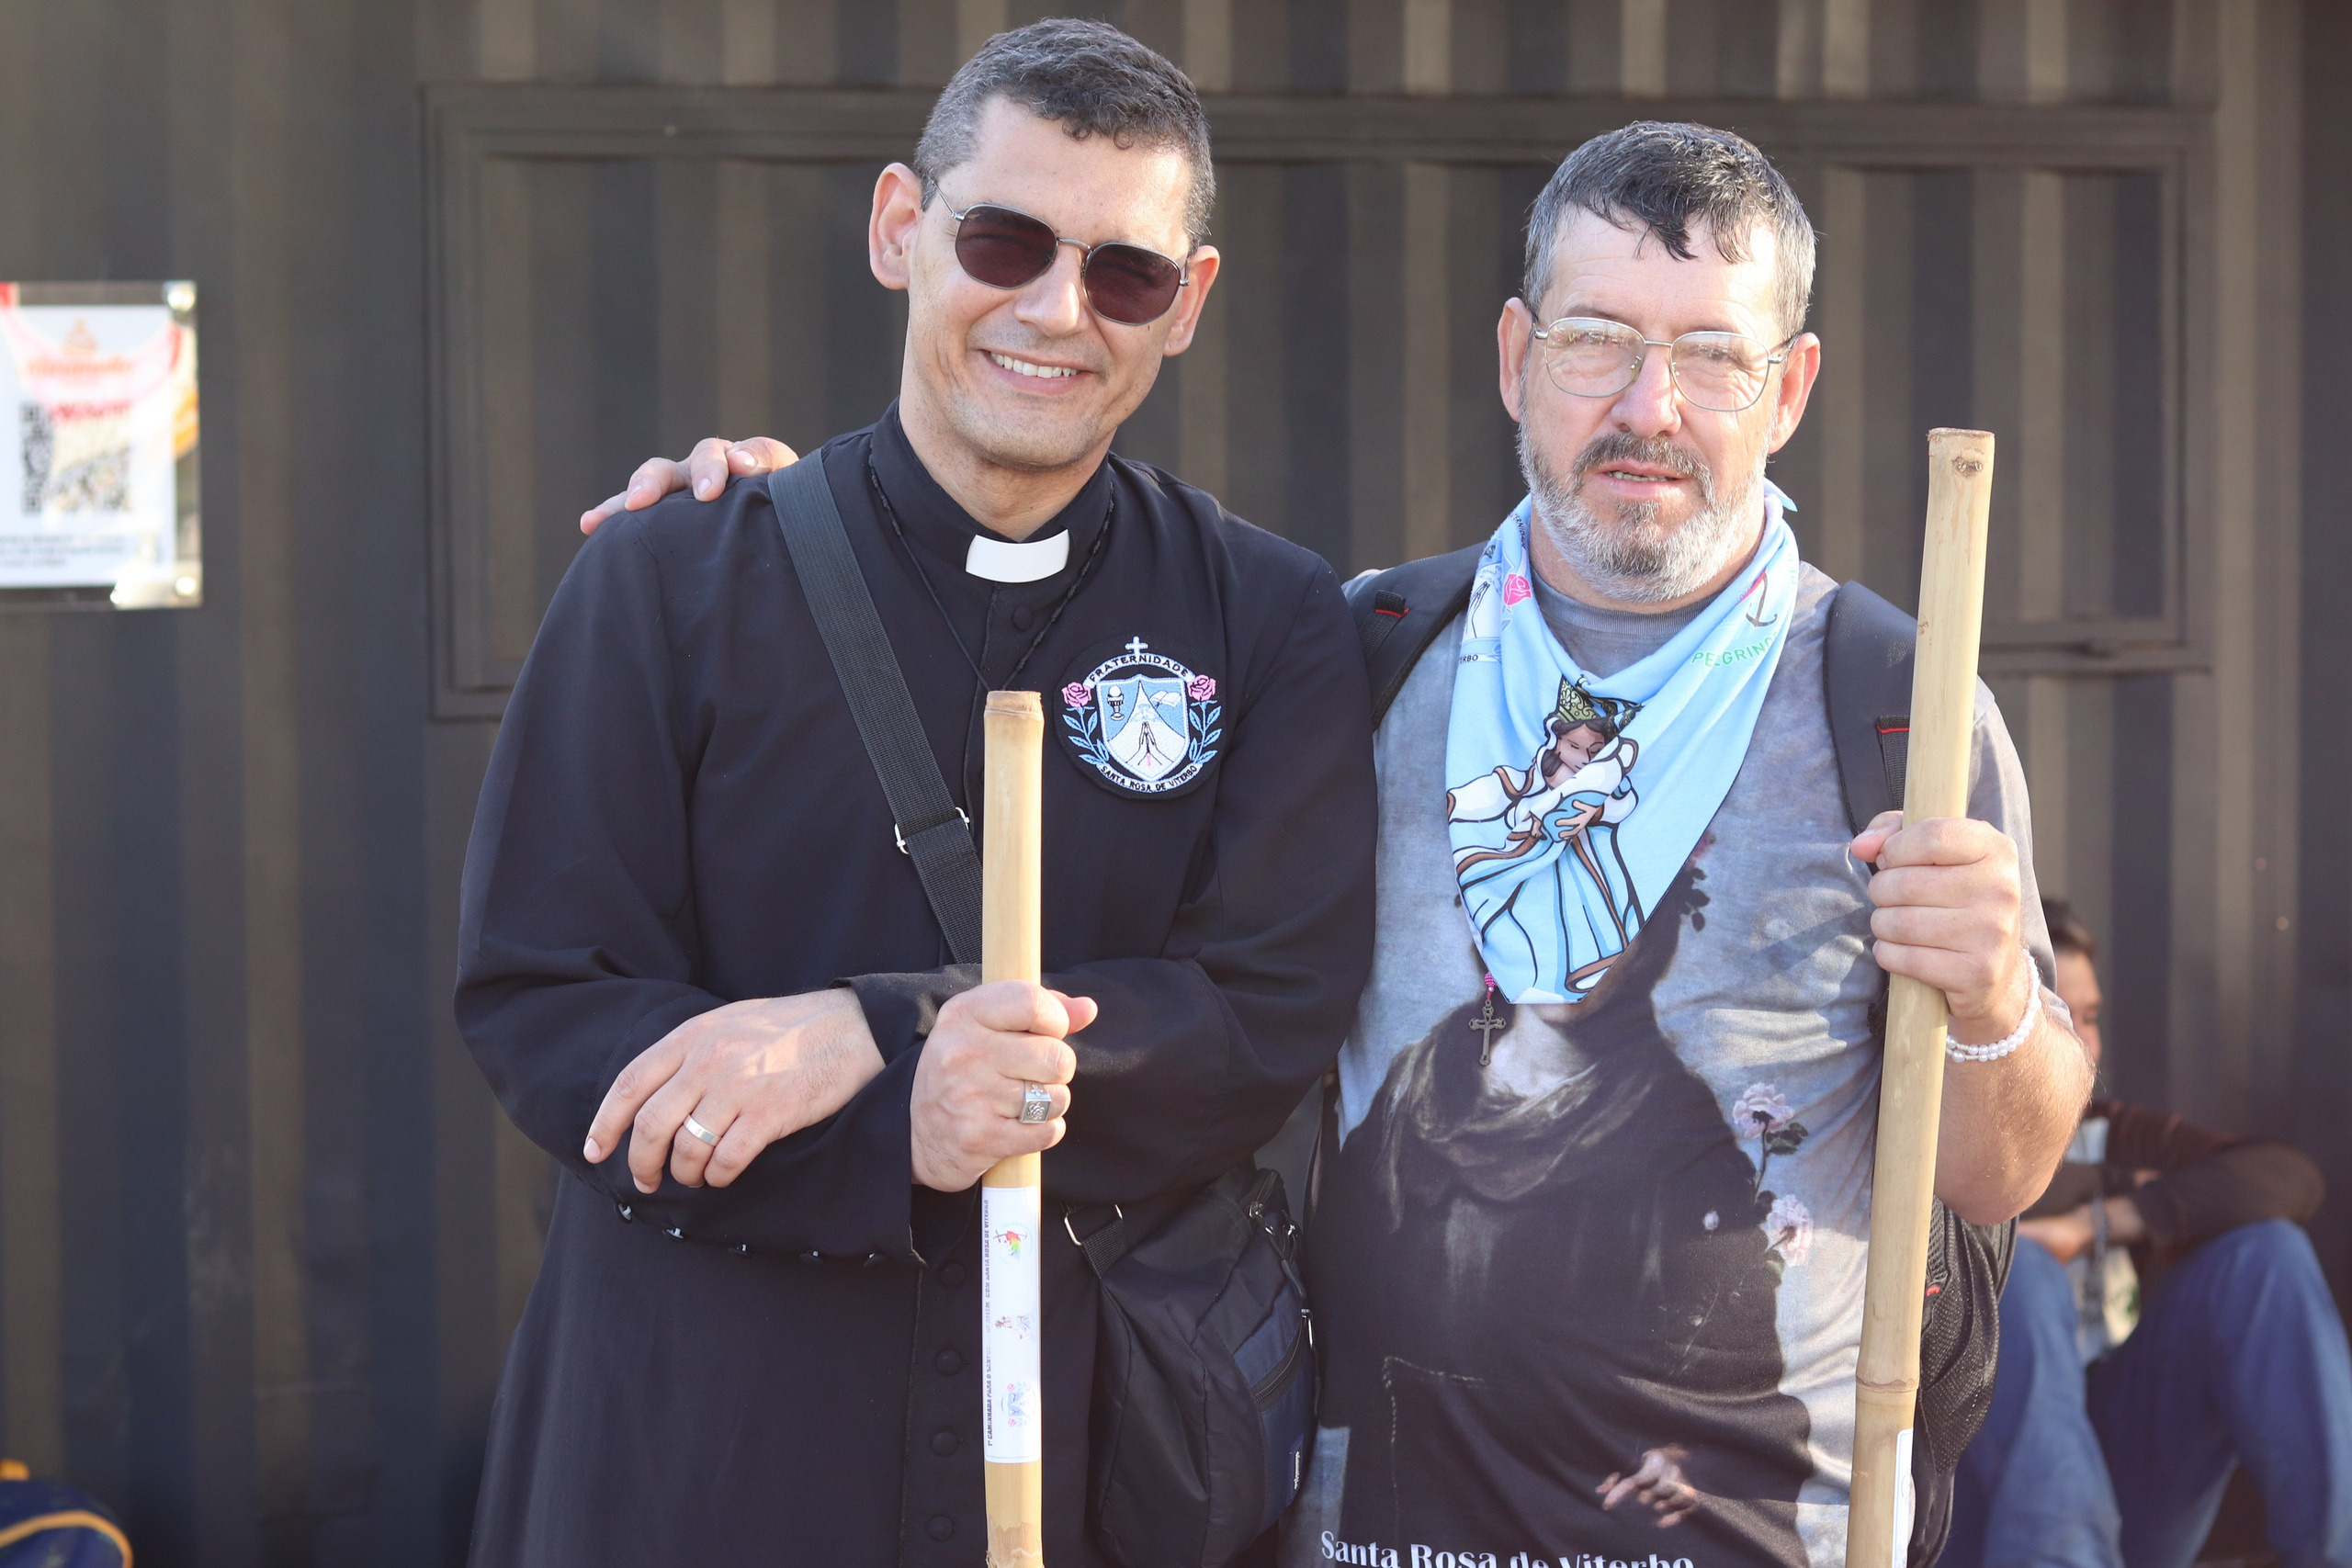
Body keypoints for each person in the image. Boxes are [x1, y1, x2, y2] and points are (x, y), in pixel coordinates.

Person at [613, 121, 2093, 1568]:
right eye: (1597, 340)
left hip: (1757, 1522)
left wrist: (1993, 1006)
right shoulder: (1366, 648)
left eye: (1712, 353)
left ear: (1789, 390)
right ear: (1516, 357)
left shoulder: (1895, 700)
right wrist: (795, 518)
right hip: (1380, 1513)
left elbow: (2000, 1170)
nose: (1651, 404)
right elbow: (1050, 769)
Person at [457, 21, 1374, 1568]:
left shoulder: (1267, 617)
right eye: (1003, 239)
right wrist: (898, 1115)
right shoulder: (671, 577)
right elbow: (547, 998)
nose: (1055, 310)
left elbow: (1264, 1010)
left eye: (1124, 273)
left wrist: (879, 1024)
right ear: (899, 226)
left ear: (1187, 304)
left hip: (1091, 1436)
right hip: (709, 1432)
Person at [1943, 898, 2350, 1568]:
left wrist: (2093, 1223)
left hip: (2127, 1478)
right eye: (2056, 1013)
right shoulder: (1934, 1141)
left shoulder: (2109, 1135)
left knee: (2266, 1256)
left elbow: (2288, 1176)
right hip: (1970, 1502)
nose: (2083, 1040)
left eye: (2091, 1017)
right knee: (2022, 1268)